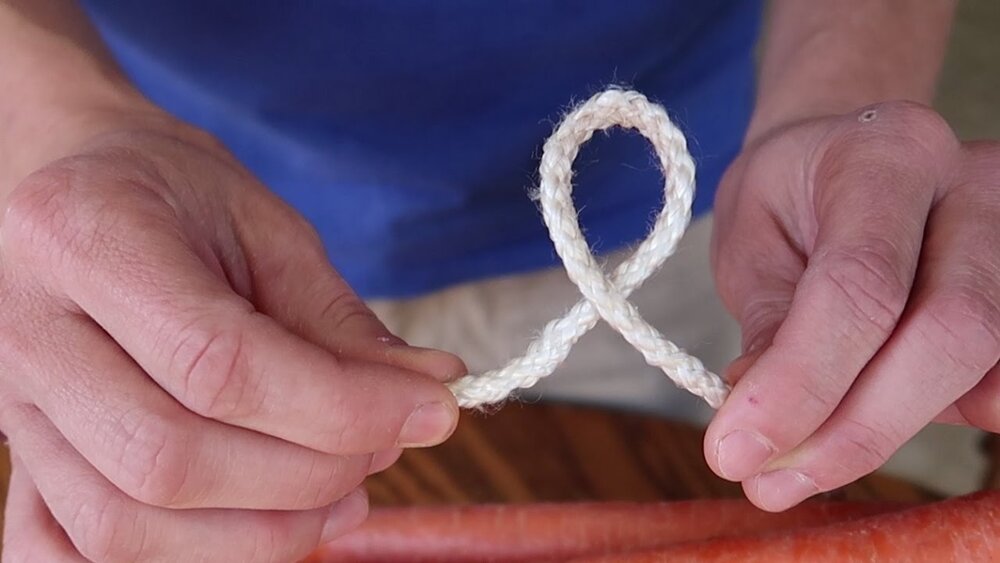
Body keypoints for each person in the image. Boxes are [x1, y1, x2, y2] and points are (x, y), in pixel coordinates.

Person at [2, 1, 997, 561]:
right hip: (179, 234)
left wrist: (838, 101)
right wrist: (48, 125)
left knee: (766, 427)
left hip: (733, 203)